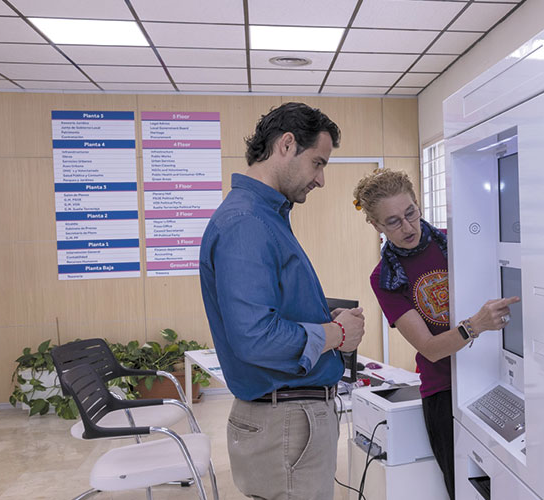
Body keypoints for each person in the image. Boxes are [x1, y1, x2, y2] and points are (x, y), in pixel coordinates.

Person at [199, 102, 365, 500]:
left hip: (287, 421)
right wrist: (336, 334)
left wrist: (323, 319)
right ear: (287, 145)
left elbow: (269, 312)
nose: (321, 179)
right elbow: (255, 338)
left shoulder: (265, 217)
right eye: (317, 163)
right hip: (286, 422)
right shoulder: (248, 223)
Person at [352, 169, 519, 499]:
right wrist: (476, 325)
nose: (408, 227)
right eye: (393, 222)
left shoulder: (456, 241)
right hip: (443, 390)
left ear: (418, 203)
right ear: (375, 225)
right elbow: (429, 348)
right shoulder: (384, 278)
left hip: (495, 375)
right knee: (462, 489)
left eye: (410, 213)